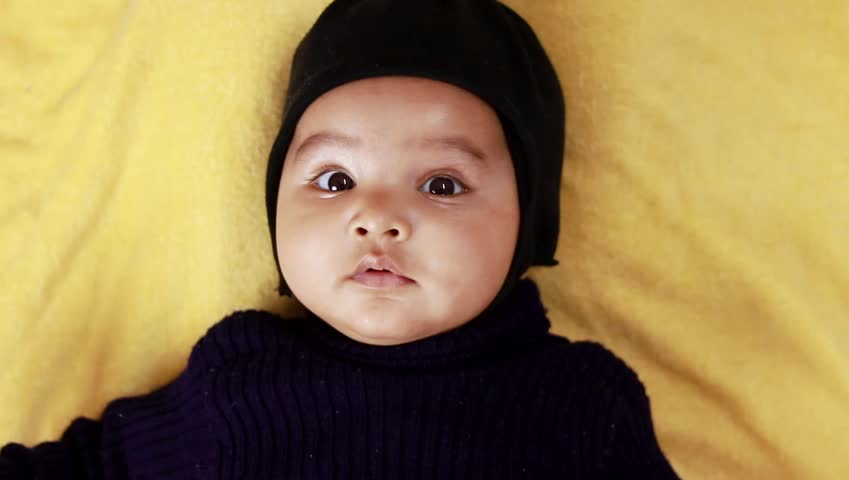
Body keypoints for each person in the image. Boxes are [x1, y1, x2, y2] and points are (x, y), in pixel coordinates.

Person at [0, 0, 680, 478]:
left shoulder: (583, 402)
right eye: (333, 180)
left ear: (526, 222)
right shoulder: (237, 374)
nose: (376, 216)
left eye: (442, 184)